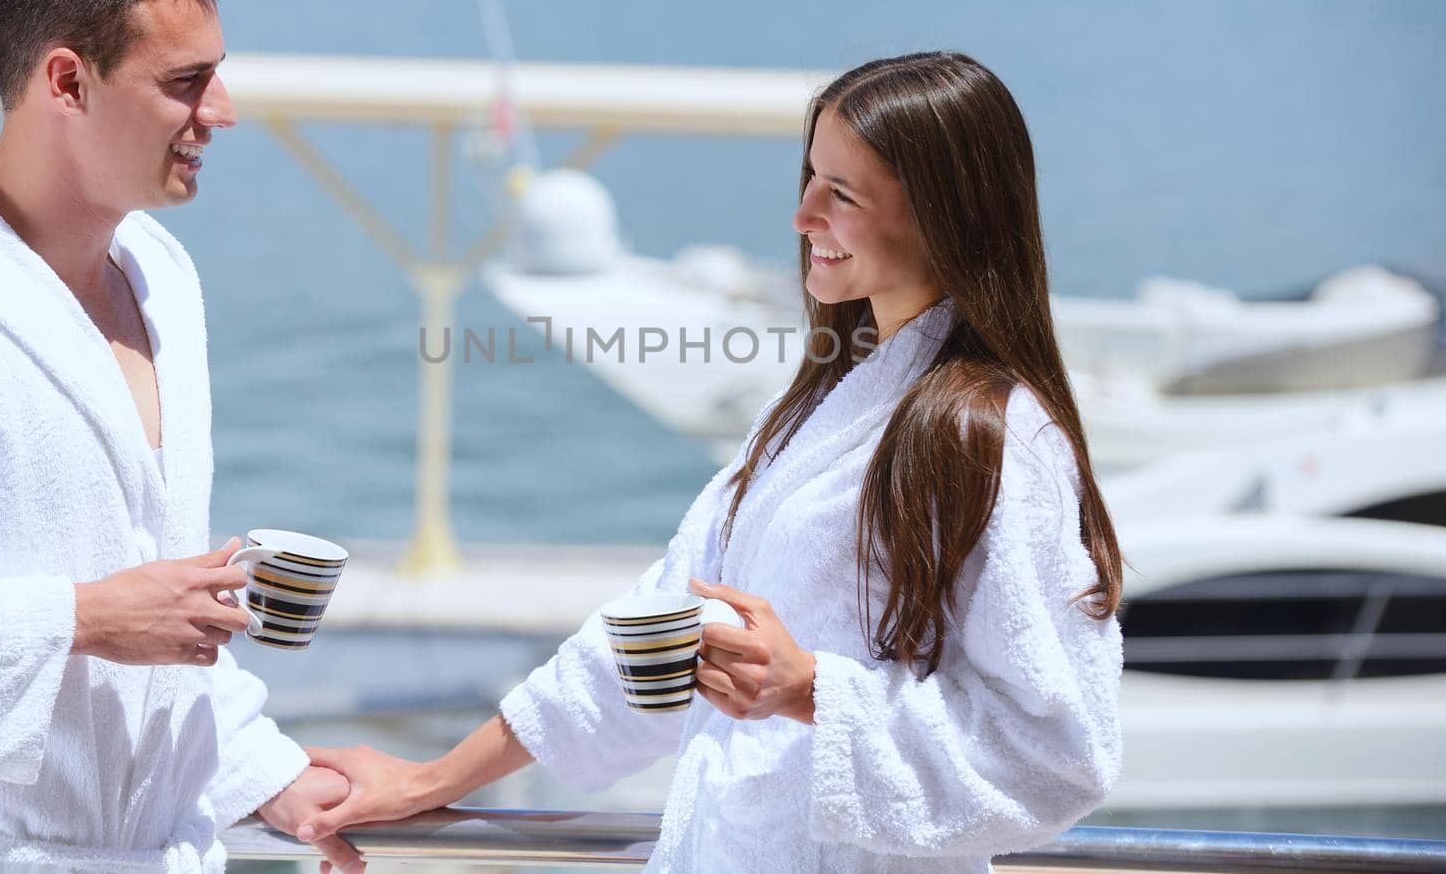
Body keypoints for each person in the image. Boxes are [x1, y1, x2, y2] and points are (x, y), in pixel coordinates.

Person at [298, 53, 1126, 872]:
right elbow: (652, 631)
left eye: (841, 193)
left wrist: (810, 691)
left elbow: (1059, 752)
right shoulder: (810, 414)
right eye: (808, 179)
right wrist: (432, 779)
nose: (803, 217)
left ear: (947, 214)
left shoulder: (996, 439)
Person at [0, 0, 359, 872]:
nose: (224, 111)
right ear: (67, 81)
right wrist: (80, 618)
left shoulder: (164, 278)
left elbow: (153, 606)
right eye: (184, 83)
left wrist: (262, 774)